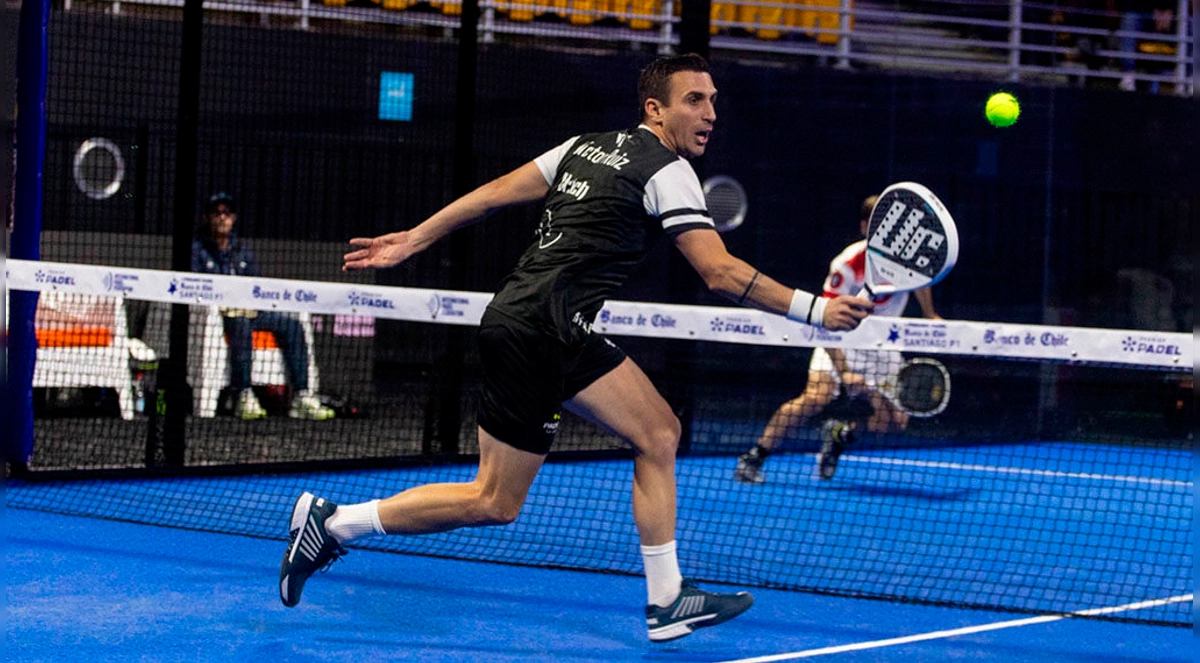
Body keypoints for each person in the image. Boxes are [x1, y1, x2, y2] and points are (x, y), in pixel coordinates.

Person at [277, 54, 873, 642]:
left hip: (554, 324)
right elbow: (717, 272)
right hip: (540, 330)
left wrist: (415, 237)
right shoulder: (668, 171)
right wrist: (816, 310)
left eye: (714, 99)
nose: (710, 112)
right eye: (695, 99)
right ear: (655, 109)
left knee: (659, 432)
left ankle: (667, 600)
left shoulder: (582, 147)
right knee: (494, 501)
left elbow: (489, 194)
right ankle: (335, 524)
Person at [734, 194, 942, 484]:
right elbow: (825, 319)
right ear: (864, 227)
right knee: (815, 398)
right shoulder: (847, 264)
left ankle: (839, 433)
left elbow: (920, 283)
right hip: (839, 337)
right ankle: (754, 457)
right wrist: (844, 370)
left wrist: (930, 314)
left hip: (882, 345)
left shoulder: (909, 260)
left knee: (893, 422)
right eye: (878, 225)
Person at [191, 192, 335, 421]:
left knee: (292, 326)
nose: (222, 218)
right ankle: (242, 394)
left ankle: (302, 396)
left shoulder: (242, 250)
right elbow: (193, 286)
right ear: (207, 217)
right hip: (214, 316)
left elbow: (254, 285)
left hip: (248, 311)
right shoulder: (197, 249)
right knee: (240, 324)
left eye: (226, 213)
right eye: (216, 213)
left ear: (233, 218)